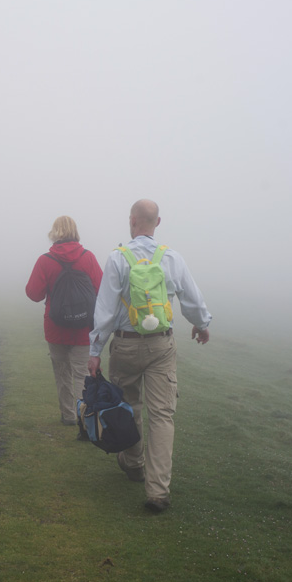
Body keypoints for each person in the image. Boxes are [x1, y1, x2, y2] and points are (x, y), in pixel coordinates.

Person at [87, 199, 211, 514]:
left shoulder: (117, 258)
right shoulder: (172, 258)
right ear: (158, 222)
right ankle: (157, 491)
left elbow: (105, 310)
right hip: (161, 345)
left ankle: (133, 463)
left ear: (132, 221)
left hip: (126, 344)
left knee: (128, 407)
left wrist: (95, 351)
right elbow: (192, 299)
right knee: (162, 416)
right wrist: (201, 325)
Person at [26, 216, 104, 426]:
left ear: (54, 233)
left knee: (62, 374)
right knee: (82, 374)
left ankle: (68, 415)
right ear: (75, 232)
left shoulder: (45, 261)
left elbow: (34, 294)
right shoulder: (88, 258)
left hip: (55, 328)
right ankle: (84, 418)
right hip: (83, 329)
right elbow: (101, 289)